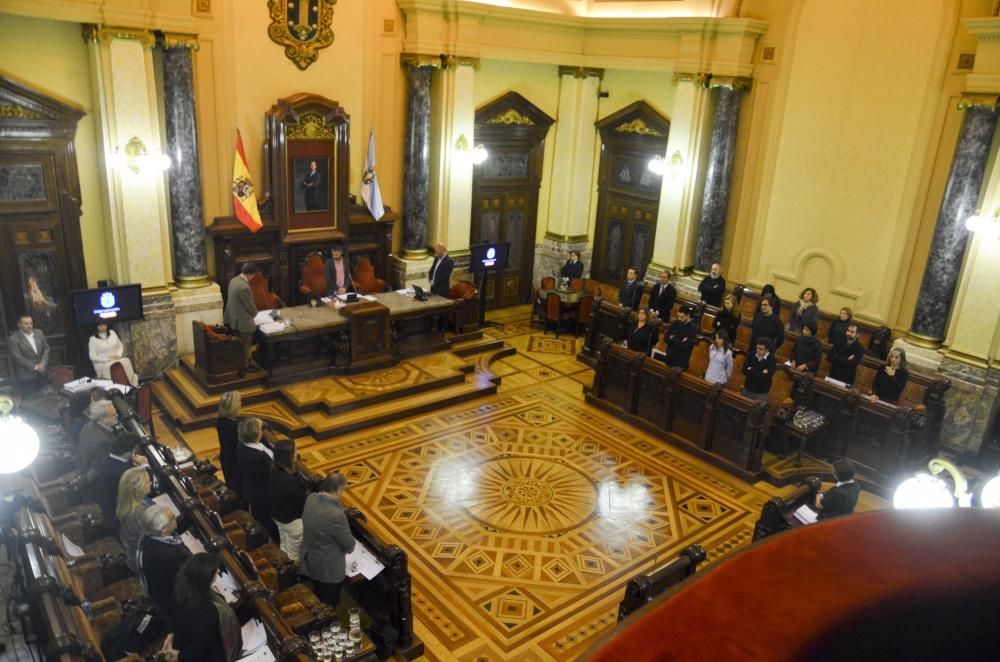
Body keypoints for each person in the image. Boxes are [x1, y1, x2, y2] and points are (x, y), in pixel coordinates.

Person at [166, 553, 242, 662]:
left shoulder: (185, 589)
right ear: (207, 577)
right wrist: (180, 656)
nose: (219, 572)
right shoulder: (207, 612)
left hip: (191, 638)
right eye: (216, 571)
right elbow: (199, 647)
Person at [300, 471, 356, 609]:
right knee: (330, 602)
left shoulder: (311, 498)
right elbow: (349, 546)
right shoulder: (335, 515)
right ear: (338, 490)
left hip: (310, 558)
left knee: (319, 590)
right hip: (328, 569)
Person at [137, 505, 190, 620]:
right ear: (163, 529)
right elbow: (186, 579)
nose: (176, 517)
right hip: (174, 603)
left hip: (163, 590)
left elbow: (175, 529)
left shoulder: (150, 537)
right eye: (172, 518)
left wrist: (188, 517)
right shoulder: (166, 555)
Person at [236, 417, 278, 541]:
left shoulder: (241, 446)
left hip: (250, 488)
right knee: (266, 520)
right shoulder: (262, 458)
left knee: (258, 514)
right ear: (257, 434)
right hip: (263, 494)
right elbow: (272, 474)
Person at [270, 439, 307, 562]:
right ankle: (292, 573)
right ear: (289, 457)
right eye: (295, 451)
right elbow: (301, 504)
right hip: (292, 522)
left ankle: (282, 562)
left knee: (284, 543)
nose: (296, 453)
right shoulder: (292, 482)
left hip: (277, 516)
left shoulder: (272, 469)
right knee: (294, 553)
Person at [96, 433, 141, 530]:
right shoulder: (120, 471)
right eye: (136, 449)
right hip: (119, 517)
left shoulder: (110, 458)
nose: (137, 452)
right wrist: (144, 466)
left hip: (113, 505)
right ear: (128, 452)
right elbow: (140, 486)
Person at [223, 263, 259, 376]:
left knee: (239, 343)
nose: (253, 278)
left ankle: (240, 363)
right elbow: (250, 306)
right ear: (250, 274)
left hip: (233, 318)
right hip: (243, 321)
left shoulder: (234, 280)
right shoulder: (244, 287)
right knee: (246, 344)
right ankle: (245, 366)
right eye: (253, 275)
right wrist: (256, 313)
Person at [117, 466, 153, 573]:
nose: (151, 483)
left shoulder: (128, 501)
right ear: (138, 487)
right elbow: (154, 542)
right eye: (147, 482)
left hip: (134, 553)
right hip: (141, 563)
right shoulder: (140, 513)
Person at [77, 399, 118, 488]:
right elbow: (97, 469)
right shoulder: (103, 442)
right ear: (102, 419)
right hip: (98, 486)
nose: (117, 415)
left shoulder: (87, 426)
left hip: (82, 469)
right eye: (113, 414)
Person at [8, 314, 50, 396]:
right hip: (27, 376)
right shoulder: (13, 339)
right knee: (29, 402)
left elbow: (46, 348)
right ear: (19, 325)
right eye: (26, 323)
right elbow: (18, 357)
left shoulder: (39, 333)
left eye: (31, 323)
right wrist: (35, 367)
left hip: (42, 373)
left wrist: (43, 363)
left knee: (46, 399)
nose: (29, 326)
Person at [215, 391, 242, 494]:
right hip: (234, 462)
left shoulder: (221, 419)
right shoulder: (233, 426)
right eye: (239, 401)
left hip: (226, 458)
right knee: (237, 489)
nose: (241, 404)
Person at [742, 338, 776, 402]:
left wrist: (751, 370)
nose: (757, 350)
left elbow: (767, 377)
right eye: (757, 347)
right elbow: (744, 371)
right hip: (747, 389)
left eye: (761, 349)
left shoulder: (772, 360)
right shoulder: (751, 355)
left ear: (767, 350)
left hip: (761, 393)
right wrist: (761, 373)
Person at [663, 305, 697, 370]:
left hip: (680, 362)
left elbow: (685, 345)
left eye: (682, 317)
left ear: (688, 316)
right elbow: (665, 339)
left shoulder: (692, 328)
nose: (679, 319)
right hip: (669, 358)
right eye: (678, 316)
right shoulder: (675, 323)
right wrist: (680, 340)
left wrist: (672, 338)